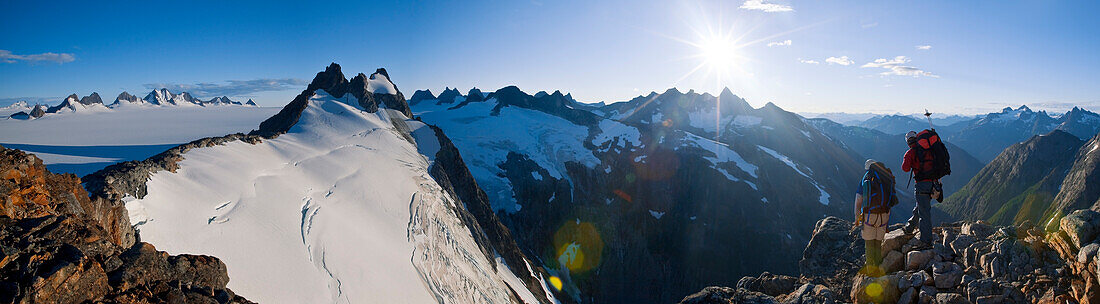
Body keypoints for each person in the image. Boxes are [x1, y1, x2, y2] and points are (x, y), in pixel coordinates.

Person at [854, 159, 899, 277]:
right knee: (878, 243)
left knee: (869, 244)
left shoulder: (866, 178)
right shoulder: (885, 178)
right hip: (884, 215)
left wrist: (857, 217)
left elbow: (858, 200)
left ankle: (871, 273)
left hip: (869, 216)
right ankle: (880, 269)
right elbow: (890, 199)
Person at [901, 130, 944, 248]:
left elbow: (905, 168)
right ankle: (909, 228)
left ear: (908, 142)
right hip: (933, 184)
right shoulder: (928, 150)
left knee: (924, 213)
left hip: (921, 185)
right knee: (921, 206)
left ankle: (926, 241)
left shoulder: (910, 153)